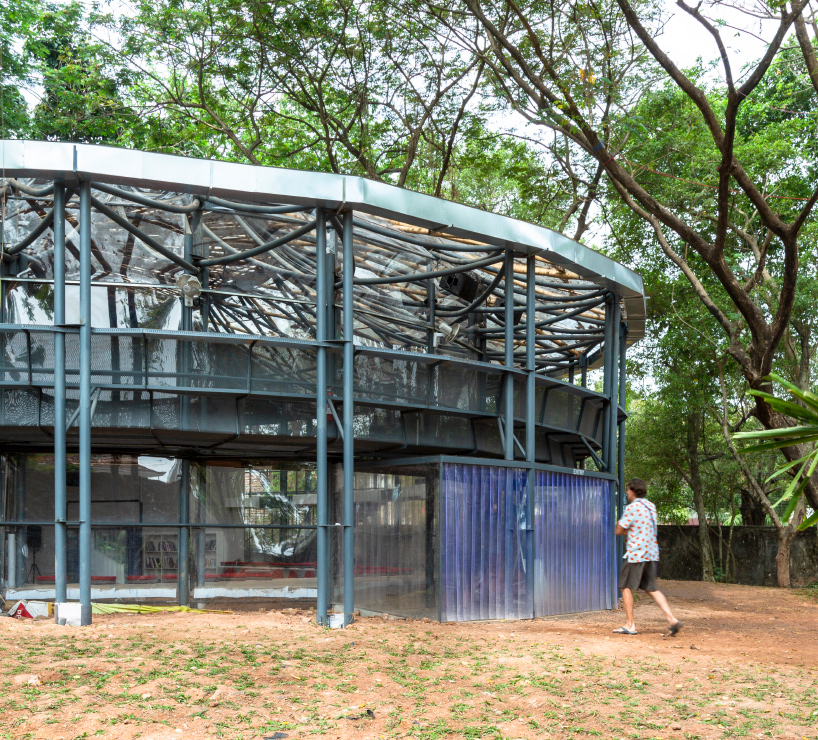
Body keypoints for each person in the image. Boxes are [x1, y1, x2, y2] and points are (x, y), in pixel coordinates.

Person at [613, 478, 683, 636]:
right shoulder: (651, 506)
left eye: (628, 490)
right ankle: (672, 619)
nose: (627, 493)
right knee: (651, 588)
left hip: (636, 553)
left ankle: (630, 625)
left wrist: (626, 532)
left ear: (633, 491)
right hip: (651, 553)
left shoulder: (632, 508)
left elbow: (619, 529)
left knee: (625, 586)